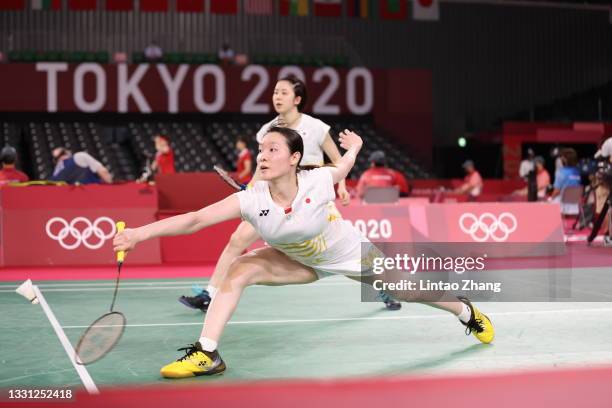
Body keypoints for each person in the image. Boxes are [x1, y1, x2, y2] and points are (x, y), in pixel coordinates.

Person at [113, 127, 495, 378]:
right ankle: (207, 353)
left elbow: (343, 165)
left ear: (294, 158)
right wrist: (137, 234)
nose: (262, 155)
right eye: (260, 149)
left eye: (272, 149)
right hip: (298, 261)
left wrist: (357, 147)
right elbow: (195, 220)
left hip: (348, 253)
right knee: (241, 268)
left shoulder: (319, 180)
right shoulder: (250, 199)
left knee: (407, 291)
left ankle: (465, 310)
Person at [178, 75, 401, 311]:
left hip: (312, 198)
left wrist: (342, 186)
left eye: (283, 92)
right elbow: (262, 168)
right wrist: (251, 194)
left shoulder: (315, 127)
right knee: (237, 239)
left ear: (297, 99)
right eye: (275, 92)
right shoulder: (268, 130)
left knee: (342, 255)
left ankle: (382, 287)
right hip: (274, 199)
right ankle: (210, 294)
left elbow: (337, 161)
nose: (277, 97)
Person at [549, 148, 581, 213]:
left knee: (548, 203)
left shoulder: (560, 172)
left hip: (563, 205)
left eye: (561, 157)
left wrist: (550, 198)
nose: (560, 159)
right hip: (575, 205)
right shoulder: (577, 172)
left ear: (564, 160)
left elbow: (556, 191)